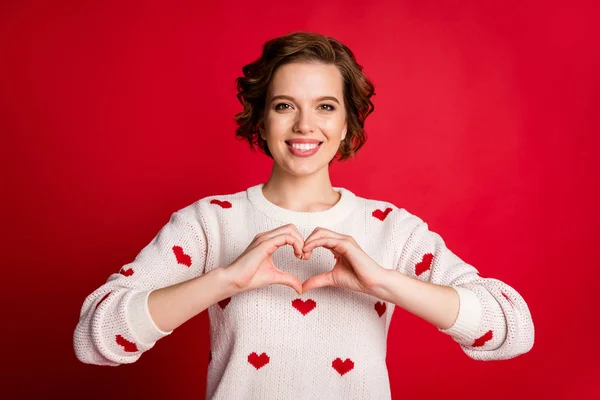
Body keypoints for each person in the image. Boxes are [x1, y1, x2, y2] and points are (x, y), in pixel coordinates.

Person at [73, 31, 534, 399]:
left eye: (325, 107)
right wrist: (224, 281)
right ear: (260, 118)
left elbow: (512, 330)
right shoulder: (209, 222)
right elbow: (95, 339)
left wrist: (383, 283)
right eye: (284, 106)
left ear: (348, 122)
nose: (304, 125)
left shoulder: (393, 229)